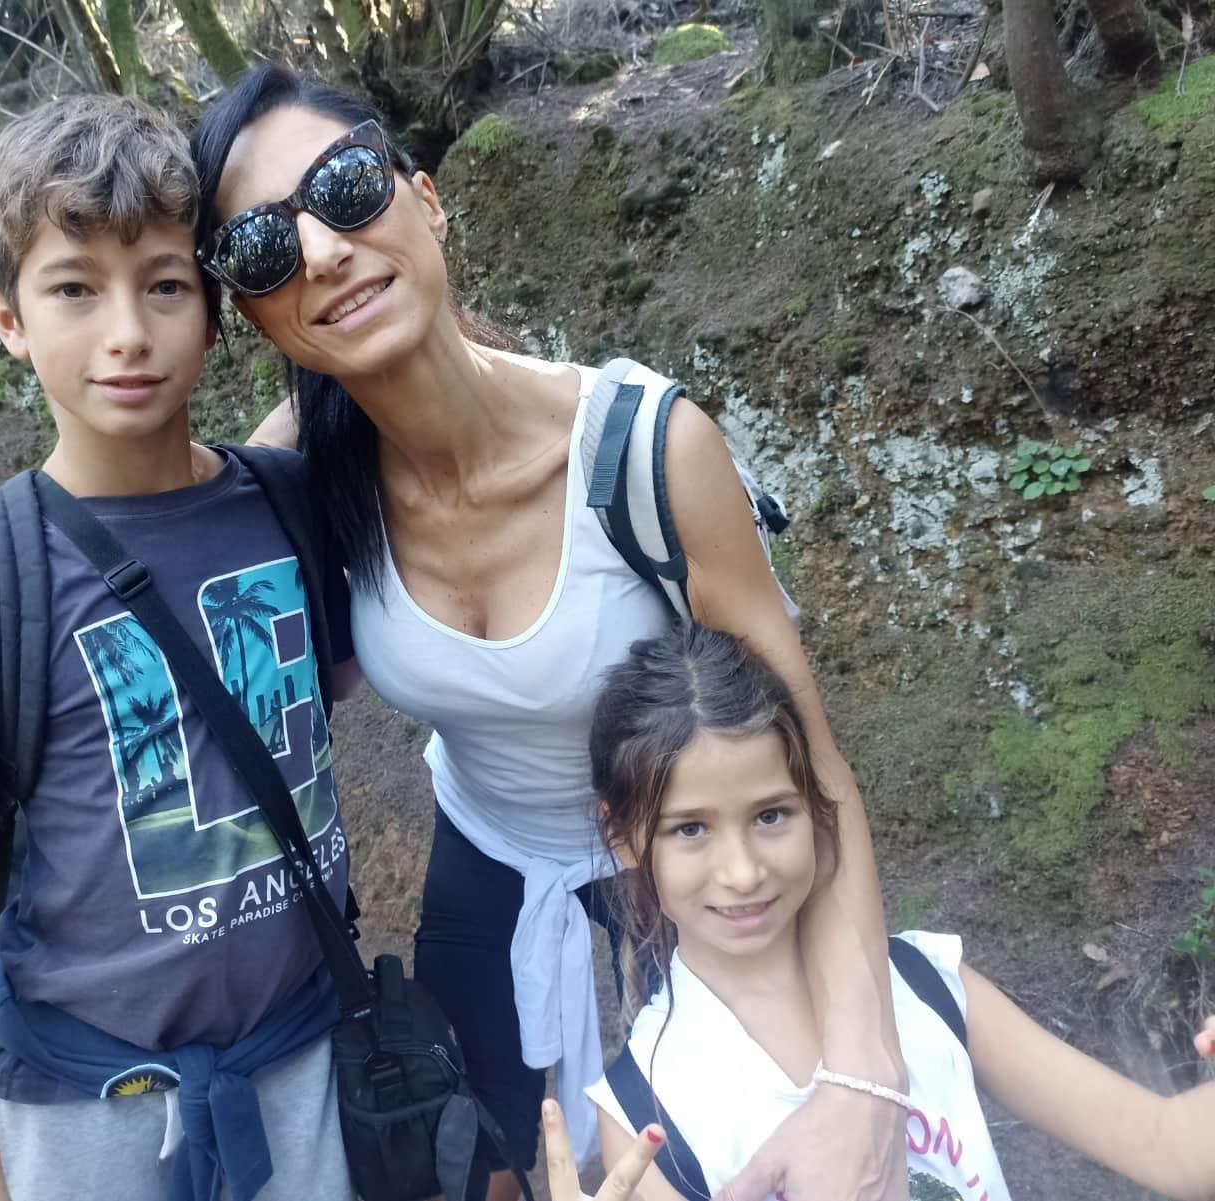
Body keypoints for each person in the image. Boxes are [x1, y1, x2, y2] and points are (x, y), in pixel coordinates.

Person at [193, 67, 909, 1200]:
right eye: (263, 246)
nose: (321, 251)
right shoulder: (298, 478)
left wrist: (867, 1073)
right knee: (474, 1167)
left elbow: (813, 770)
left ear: (426, 199)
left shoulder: (645, 450)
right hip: (484, 859)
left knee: (727, 1162)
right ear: (251, 308)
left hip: (688, 863)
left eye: (345, 188)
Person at [0, 94, 357, 1201]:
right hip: (85, 1114)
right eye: (74, 288)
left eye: (164, 284)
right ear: (8, 317)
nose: (127, 332)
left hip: (310, 1069)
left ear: (214, 313)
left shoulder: (291, 507)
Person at [581, 623, 1215, 1201]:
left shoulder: (923, 980)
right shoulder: (643, 1108)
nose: (743, 872)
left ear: (819, 807)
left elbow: (1166, 1145)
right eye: (690, 829)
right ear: (622, 835)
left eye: (771, 815)